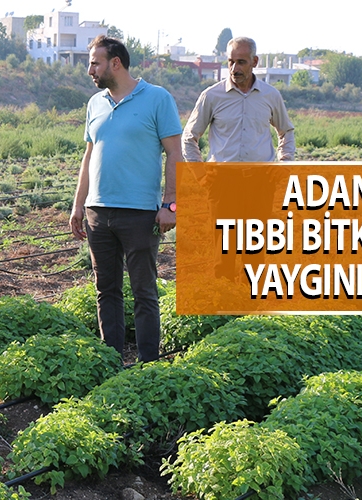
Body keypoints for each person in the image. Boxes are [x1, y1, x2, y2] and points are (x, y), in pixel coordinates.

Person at [69, 35, 181, 363]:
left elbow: (175, 154)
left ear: (115, 63)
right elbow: (89, 157)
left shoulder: (157, 98)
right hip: (98, 212)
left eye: (95, 63)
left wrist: (170, 205)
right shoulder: (95, 103)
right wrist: (78, 204)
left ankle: (148, 365)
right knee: (106, 290)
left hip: (140, 213)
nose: (90, 70)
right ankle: (112, 361)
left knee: (144, 291)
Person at [181, 36, 295, 162]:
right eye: (231, 62)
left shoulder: (271, 95)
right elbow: (189, 136)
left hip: (261, 174)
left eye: (241, 62)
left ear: (254, 61)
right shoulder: (211, 96)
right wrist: (198, 171)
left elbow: (286, 132)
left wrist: (285, 163)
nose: (234, 69)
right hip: (222, 174)